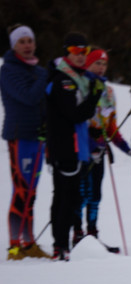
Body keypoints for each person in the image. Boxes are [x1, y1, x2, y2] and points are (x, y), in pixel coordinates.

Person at [46, 32, 104, 261]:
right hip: (65, 147)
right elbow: (75, 114)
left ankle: (60, 244)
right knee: (66, 197)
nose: (80, 56)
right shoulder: (64, 80)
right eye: (74, 51)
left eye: (84, 51)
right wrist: (94, 96)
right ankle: (60, 245)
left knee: (66, 196)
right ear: (66, 52)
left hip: (74, 146)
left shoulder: (78, 77)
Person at [72, 47, 131, 246]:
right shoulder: (81, 85)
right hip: (82, 149)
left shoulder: (109, 91)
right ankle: (77, 234)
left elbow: (111, 125)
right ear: (87, 63)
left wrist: (126, 148)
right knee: (81, 193)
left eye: (104, 64)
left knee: (95, 194)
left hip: (100, 150)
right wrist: (91, 143)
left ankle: (92, 235)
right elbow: (76, 120)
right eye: (97, 62)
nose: (101, 67)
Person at [1, 24, 50, 260]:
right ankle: (14, 246)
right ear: (14, 45)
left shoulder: (37, 71)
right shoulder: (9, 69)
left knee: (32, 191)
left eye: (30, 40)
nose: (27, 45)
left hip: (37, 136)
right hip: (20, 135)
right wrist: (44, 76)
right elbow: (29, 97)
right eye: (22, 41)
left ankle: (29, 243)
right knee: (21, 190)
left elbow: (43, 101)